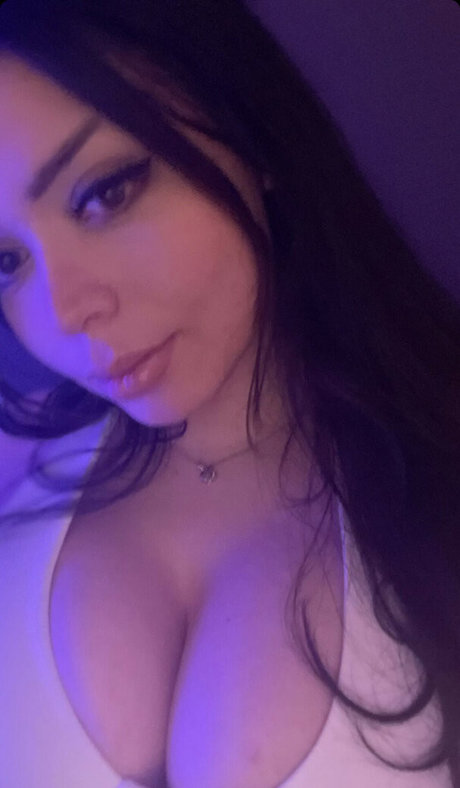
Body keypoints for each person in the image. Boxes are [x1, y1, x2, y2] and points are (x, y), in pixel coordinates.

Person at [0, 1, 459, 787]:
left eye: (106, 193)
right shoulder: (25, 470)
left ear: (247, 126)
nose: (64, 311)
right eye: (6, 263)